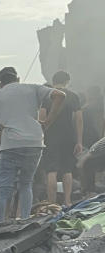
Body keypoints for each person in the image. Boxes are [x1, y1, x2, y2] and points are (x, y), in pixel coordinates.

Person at [0, 67, 66, 222]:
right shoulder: (33, 87)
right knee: (26, 183)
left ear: (1, 83)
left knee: (2, 188)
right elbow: (60, 95)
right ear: (18, 79)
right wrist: (48, 122)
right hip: (35, 142)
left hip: (11, 144)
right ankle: (24, 220)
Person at [40, 71, 83, 207]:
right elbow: (79, 119)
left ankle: (52, 203)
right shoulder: (73, 96)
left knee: (51, 170)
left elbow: (41, 117)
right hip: (68, 137)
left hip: (50, 137)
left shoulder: (47, 95)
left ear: (53, 81)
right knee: (67, 169)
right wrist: (79, 141)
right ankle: (68, 201)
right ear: (67, 81)